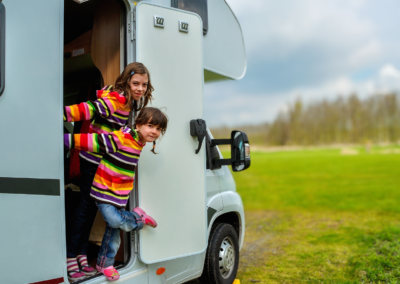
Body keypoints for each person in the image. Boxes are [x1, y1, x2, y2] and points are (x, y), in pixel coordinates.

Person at [64, 62, 154, 281]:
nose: (140, 89)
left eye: (144, 84)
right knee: (85, 209)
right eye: (136, 83)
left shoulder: (128, 101)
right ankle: (70, 256)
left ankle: (82, 255)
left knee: (91, 209)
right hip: (92, 159)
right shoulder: (120, 99)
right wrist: (63, 114)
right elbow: (90, 109)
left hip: (100, 160)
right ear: (127, 81)